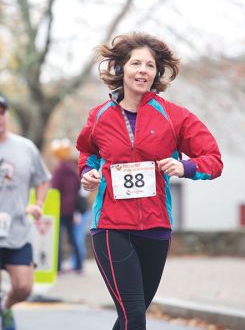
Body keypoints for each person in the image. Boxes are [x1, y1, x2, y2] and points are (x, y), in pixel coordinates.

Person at [76, 33, 223, 330]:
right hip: (111, 227)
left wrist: (186, 167)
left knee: (132, 314)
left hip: (156, 228)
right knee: (135, 316)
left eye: (150, 65)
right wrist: (87, 174)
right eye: (136, 63)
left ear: (157, 73)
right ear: (121, 68)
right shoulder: (99, 116)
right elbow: (88, 153)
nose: (143, 70)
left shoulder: (174, 117)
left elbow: (214, 160)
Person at [0, 95, 50, 330]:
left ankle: (5, 305)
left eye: (2, 112)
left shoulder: (25, 147)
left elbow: (43, 179)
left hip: (18, 230)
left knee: (23, 288)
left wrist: (38, 204)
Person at [50, 138, 83, 273]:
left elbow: (54, 189)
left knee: (58, 239)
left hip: (59, 209)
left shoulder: (58, 171)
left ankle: (57, 267)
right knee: (73, 237)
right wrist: (76, 210)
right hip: (71, 209)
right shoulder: (73, 171)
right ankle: (79, 265)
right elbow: (77, 190)